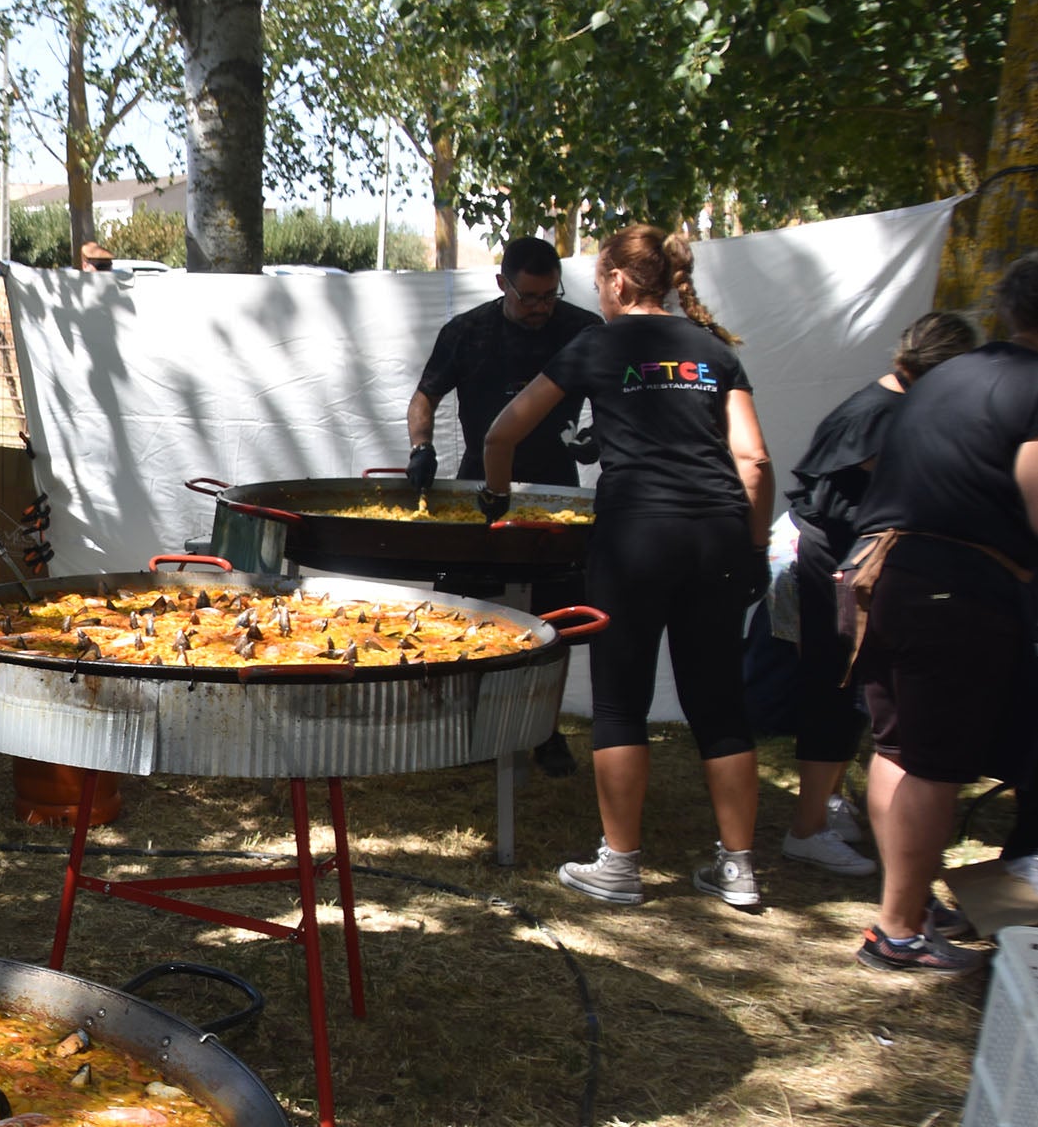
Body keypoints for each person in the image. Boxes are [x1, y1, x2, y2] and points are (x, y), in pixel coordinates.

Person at [480, 225, 774, 909]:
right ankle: (737, 869)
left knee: (619, 700)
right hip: (717, 538)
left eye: (596, 283)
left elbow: (502, 431)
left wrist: (496, 495)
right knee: (719, 701)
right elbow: (754, 462)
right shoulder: (713, 349)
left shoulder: (595, 344)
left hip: (634, 536)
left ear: (615, 280)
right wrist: (754, 547)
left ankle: (619, 864)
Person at [846, 253, 1038, 974]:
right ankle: (896, 931)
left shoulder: (949, 374)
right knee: (933, 763)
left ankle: (909, 906)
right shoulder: (1031, 389)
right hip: (952, 587)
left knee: (896, 750)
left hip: (879, 574)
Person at [778, 312, 979, 879]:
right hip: (830, 560)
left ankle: (826, 806)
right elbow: (844, 503)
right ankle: (807, 828)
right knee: (832, 688)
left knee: (847, 689)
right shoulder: (878, 415)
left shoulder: (893, 407)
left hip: (841, 558)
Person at [404, 236, 602, 775]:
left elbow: (612, 399)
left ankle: (545, 729)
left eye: (548, 296)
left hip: (556, 492)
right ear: (502, 285)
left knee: (553, 617)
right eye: (528, 297)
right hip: (480, 490)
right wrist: (421, 447)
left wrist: (599, 432)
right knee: (470, 609)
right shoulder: (468, 332)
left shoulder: (583, 330)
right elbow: (425, 397)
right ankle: (464, 723)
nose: (540, 308)